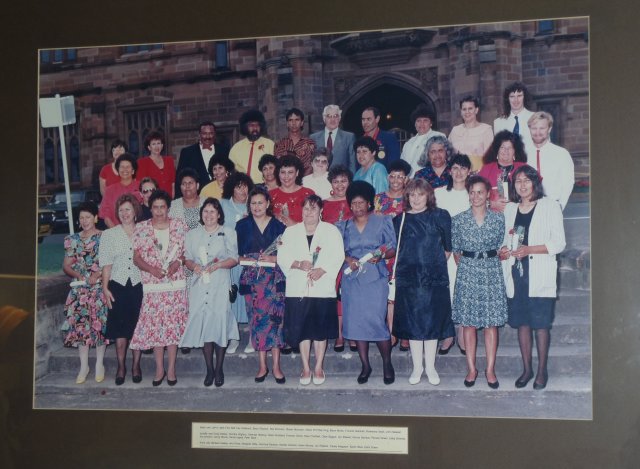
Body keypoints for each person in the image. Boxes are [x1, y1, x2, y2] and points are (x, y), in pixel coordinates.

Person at [500, 165, 566, 390]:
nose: (522, 185)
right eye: (518, 181)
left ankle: (541, 371)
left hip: (539, 273)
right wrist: (504, 250)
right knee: (522, 324)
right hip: (517, 273)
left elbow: (558, 243)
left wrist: (529, 250)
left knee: (541, 325)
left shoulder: (550, 206)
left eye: (526, 180)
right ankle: (527, 369)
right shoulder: (510, 209)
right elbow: (507, 239)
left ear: (535, 182)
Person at [278, 195, 345, 385]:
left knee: (319, 331)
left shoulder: (331, 231)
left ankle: (318, 367)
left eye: (313, 209)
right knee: (302, 330)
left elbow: (338, 255)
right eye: (306, 208)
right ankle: (306, 368)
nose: (309, 213)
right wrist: (298, 264)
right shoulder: (290, 232)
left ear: (320, 211)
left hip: (322, 287)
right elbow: (282, 257)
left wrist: (323, 270)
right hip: (298, 288)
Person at [392, 179, 454, 386]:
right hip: (408, 280)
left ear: (428, 195)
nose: (416, 199)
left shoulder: (440, 216)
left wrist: (431, 266)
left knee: (432, 324)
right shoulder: (399, 220)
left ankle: (431, 367)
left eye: (420, 194)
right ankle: (417, 367)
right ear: (407, 197)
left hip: (433, 280)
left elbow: (448, 247)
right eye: (412, 195)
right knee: (413, 325)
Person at [338, 181, 397, 385]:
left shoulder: (383, 221)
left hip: (375, 278)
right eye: (353, 203)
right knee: (356, 323)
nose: (357, 207)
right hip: (352, 280)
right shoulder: (343, 225)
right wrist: (348, 260)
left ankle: (387, 363)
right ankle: (365, 365)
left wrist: (380, 256)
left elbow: (392, 248)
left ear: (369, 203)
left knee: (376, 322)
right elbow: (336, 250)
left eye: (361, 203)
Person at [451, 175, 507, 388]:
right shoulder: (458, 220)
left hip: (491, 272)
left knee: (491, 324)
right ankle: (472, 369)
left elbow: (501, 243)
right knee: (470, 323)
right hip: (468, 273)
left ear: (487, 195)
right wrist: (469, 267)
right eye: (472, 192)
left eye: (480, 192)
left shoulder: (498, 219)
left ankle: (490, 369)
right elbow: (456, 251)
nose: (475, 196)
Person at [131, 190, 188, 386]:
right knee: (156, 328)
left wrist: (177, 264)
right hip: (153, 284)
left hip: (174, 283)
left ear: (168, 208)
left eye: (162, 207)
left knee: (172, 327)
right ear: (150, 208)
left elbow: (185, 254)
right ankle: (159, 369)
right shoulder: (141, 228)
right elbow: (136, 258)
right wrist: (152, 269)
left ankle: (171, 369)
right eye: (155, 207)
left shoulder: (180, 226)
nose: (159, 211)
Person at [180, 198, 239, 387]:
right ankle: (209, 369)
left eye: (212, 212)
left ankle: (219, 368)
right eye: (205, 212)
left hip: (219, 283)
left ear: (219, 214)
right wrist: (195, 266)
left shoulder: (228, 232)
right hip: (199, 285)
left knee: (219, 323)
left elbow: (234, 258)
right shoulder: (192, 235)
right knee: (205, 325)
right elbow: (187, 258)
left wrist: (218, 265)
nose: (209, 215)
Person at [236, 189, 287, 383]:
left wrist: (273, 258)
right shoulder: (241, 225)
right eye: (253, 203)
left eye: (260, 203)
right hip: (252, 280)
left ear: (267, 203)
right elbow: (237, 255)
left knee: (275, 323)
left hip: (274, 280)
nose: (256, 207)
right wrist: (251, 259)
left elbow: (287, 253)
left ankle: (276, 366)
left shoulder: (278, 226)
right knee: (256, 322)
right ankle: (262, 366)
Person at [61, 202, 108, 384]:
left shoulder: (104, 237)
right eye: (81, 217)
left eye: (88, 217)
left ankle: (99, 365)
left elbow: (108, 262)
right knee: (81, 328)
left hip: (97, 289)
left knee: (99, 327)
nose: (85, 221)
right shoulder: (72, 239)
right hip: (79, 290)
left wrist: (97, 274)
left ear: (95, 218)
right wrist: (78, 274)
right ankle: (84, 366)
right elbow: (66, 265)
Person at [100, 194, 144, 385]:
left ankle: (135, 365)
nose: (124, 213)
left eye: (128, 209)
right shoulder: (109, 234)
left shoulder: (144, 231)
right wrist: (104, 288)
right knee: (120, 330)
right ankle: (121, 366)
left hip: (139, 285)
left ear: (135, 211)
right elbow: (106, 265)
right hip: (117, 286)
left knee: (137, 328)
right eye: (121, 210)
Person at [435, 154, 472, 355]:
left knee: (463, 292)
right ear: (450, 171)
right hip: (445, 251)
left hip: (466, 251)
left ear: (469, 171)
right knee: (445, 292)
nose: (458, 172)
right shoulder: (439, 193)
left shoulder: (473, 193)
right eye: (455, 168)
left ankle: (462, 333)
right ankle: (448, 334)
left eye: (463, 168)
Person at [373, 159, 412, 350]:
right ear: (388, 177)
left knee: (403, 294)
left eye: (400, 176)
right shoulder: (378, 199)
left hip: (405, 252)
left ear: (406, 179)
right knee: (388, 296)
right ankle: (391, 332)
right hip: (384, 251)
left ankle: (404, 333)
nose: (396, 180)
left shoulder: (411, 198)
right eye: (393, 176)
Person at [219, 172, 255, 353]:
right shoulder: (224, 205)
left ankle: (251, 339)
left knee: (249, 298)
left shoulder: (254, 205)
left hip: (249, 261)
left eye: (245, 186)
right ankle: (232, 338)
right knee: (230, 300)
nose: (242, 190)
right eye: (237, 186)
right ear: (231, 188)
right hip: (231, 260)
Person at [321, 164, 353, 352]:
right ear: (331, 183)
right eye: (336, 181)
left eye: (343, 181)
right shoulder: (324, 203)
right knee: (335, 295)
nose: (340, 185)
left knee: (352, 295)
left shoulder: (356, 202)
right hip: (331, 254)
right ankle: (339, 335)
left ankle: (353, 334)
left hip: (352, 254)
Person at [527, 111, 575, 210]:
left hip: (553, 206)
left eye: (542, 128)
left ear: (549, 129)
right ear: (529, 129)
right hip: (528, 207)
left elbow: (568, 183)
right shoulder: (523, 154)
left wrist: (560, 206)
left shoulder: (561, 154)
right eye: (534, 128)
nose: (537, 132)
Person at [175, 121, 230, 198]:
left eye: (211, 133)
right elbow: (179, 178)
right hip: (195, 197)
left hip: (221, 195)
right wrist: (178, 200)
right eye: (204, 133)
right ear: (199, 135)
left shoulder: (224, 150)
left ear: (215, 134)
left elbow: (229, 172)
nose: (208, 136)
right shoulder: (187, 152)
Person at [478, 130, 528, 212]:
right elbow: (475, 196)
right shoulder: (486, 170)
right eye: (502, 147)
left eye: (510, 148)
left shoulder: (524, 168)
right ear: (497, 150)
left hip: (520, 214)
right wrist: (492, 204)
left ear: (515, 151)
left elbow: (536, 192)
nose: (506, 151)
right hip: (492, 217)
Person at [448, 96, 494, 172]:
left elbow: (490, 158)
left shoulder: (486, 130)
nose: (467, 112)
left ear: (476, 110)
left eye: (470, 108)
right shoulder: (455, 130)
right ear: (461, 111)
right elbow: (448, 153)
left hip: (478, 173)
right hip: (457, 175)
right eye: (464, 109)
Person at [229, 109, 275, 183]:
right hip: (244, 188)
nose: (255, 128)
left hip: (266, 186)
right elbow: (231, 171)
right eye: (251, 125)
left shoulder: (270, 144)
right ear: (245, 127)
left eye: (257, 125)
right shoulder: (236, 148)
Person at [99, 153, 143, 228]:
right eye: (122, 167)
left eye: (128, 167)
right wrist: (117, 232)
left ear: (133, 171)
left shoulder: (141, 187)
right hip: (116, 231)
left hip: (139, 231)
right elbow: (106, 216)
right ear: (118, 170)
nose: (125, 170)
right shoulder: (110, 190)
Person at [400, 104, 445, 177]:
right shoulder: (408, 143)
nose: (422, 124)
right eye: (418, 121)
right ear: (415, 124)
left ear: (431, 123)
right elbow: (402, 164)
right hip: (408, 183)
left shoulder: (438, 136)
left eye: (425, 120)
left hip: (429, 180)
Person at [269, 154, 315, 226]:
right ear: (278, 173)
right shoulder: (269, 195)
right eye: (283, 172)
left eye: (290, 172)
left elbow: (313, 223)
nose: (286, 176)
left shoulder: (308, 194)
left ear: (297, 173)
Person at [309, 104, 356, 173]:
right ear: (324, 119)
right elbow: (310, 163)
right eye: (329, 116)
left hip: (340, 181)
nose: (332, 119)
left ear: (339, 118)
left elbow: (352, 165)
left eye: (335, 116)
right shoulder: (313, 138)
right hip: (320, 179)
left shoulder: (349, 137)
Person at [493, 81, 535, 158]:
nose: (516, 100)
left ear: (524, 97)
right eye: (512, 96)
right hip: (507, 166)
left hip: (530, 165)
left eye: (519, 96)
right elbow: (497, 150)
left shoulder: (535, 118)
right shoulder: (498, 122)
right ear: (507, 99)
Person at [274, 107, 316, 175]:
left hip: (305, 180)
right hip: (285, 181)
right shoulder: (280, 144)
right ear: (287, 123)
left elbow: (312, 165)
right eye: (290, 120)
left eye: (297, 120)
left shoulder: (310, 143)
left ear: (302, 123)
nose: (294, 123)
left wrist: (301, 179)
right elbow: (278, 166)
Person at [136, 130, 176, 198]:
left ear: (162, 145)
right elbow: (141, 185)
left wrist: (172, 198)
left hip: (168, 199)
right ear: (149, 147)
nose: (156, 147)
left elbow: (173, 183)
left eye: (158, 143)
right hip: (152, 200)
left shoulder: (169, 160)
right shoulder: (142, 163)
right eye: (153, 144)